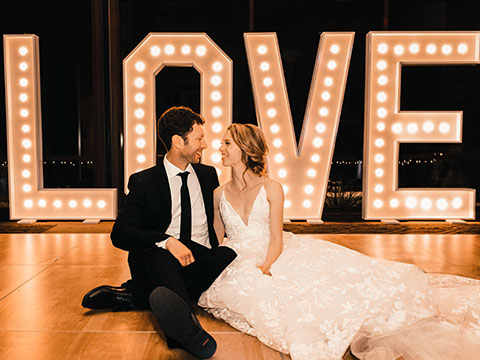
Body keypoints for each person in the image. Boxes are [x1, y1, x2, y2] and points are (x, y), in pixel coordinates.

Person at [198, 123, 480, 360]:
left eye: (226, 143)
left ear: (246, 150)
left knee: (320, 293)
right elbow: (217, 238)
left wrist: (266, 265)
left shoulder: (272, 188)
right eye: (222, 143)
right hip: (234, 258)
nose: (219, 148)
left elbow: (275, 239)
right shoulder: (218, 194)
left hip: (272, 253)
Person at [82, 106, 236, 359]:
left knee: (227, 255)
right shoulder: (144, 181)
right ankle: (189, 333)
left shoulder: (208, 176)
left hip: (198, 257)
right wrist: (165, 241)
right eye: (199, 138)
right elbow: (120, 233)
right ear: (178, 141)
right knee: (163, 258)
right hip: (159, 257)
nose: (205, 145)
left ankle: (140, 296)